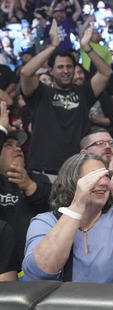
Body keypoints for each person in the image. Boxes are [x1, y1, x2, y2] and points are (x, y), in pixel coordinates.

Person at [23, 151, 113, 283]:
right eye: (94, 176)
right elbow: (40, 271)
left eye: (106, 176)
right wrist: (78, 204)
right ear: (72, 182)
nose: (104, 183)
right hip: (66, 303)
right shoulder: (45, 222)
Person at [19, 22, 112, 178]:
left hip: (76, 171)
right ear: (51, 70)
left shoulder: (83, 92)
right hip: (43, 170)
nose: (66, 71)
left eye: (69, 67)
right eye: (60, 67)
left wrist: (86, 46)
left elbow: (106, 73)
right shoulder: (41, 92)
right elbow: (26, 73)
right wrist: (53, 45)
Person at [0, 101, 50, 260]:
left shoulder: (38, 178)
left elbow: (52, 203)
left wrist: (30, 186)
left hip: (33, 267)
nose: (17, 149)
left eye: (19, 145)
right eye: (8, 145)